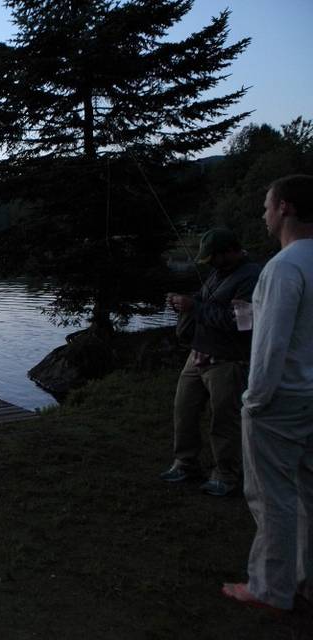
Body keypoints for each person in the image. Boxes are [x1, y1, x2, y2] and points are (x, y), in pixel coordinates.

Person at [222, 174, 313, 611]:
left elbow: (273, 345)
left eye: (266, 204)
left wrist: (254, 400)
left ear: (285, 209)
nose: (262, 213)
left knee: (272, 497)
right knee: (309, 493)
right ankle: (306, 579)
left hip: (280, 402)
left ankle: (269, 589)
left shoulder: (285, 267)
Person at [159, 228, 260, 496]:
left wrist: (194, 308)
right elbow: (205, 302)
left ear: (229, 252)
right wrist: (183, 303)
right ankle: (186, 464)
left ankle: (226, 475)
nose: (209, 264)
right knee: (184, 410)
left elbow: (242, 323)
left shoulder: (251, 277)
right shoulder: (219, 272)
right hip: (199, 353)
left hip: (228, 360)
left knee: (224, 421)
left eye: (212, 258)